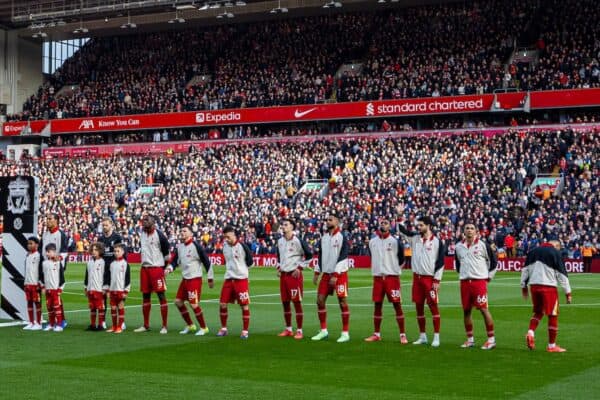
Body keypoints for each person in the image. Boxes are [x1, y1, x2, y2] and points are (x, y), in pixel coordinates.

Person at [396, 205, 445, 347]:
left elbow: (440, 262)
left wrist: (437, 279)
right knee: (418, 307)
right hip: (416, 278)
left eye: (421, 225)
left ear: (428, 226)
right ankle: (422, 336)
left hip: (429, 279)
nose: (418, 228)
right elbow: (402, 230)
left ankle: (436, 337)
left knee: (433, 307)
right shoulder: (415, 238)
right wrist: (400, 216)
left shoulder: (437, 242)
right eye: (418, 225)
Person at [521, 240, 572, 352]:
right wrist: (568, 292)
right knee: (553, 315)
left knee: (538, 312)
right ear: (556, 245)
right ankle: (552, 346)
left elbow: (525, 270)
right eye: (559, 247)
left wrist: (523, 286)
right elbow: (561, 274)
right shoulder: (554, 252)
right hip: (548, 287)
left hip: (534, 286)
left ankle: (530, 332)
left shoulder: (533, 251)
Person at [454, 223, 498, 350]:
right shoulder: (458, 247)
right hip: (464, 283)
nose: (469, 230)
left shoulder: (483, 245)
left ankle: (491, 340)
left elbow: (494, 263)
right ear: (463, 231)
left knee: (484, 309)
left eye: (472, 228)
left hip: (479, 282)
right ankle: (470, 340)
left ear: (476, 232)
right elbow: (458, 265)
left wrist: (488, 277)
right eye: (467, 228)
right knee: (466, 311)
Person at [364, 218, 407, 343]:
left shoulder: (395, 241)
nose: (383, 224)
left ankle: (402, 334)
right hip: (377, 277)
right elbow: (372, 256)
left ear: (390, 226)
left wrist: (394, 269)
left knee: (397, 305)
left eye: (386, 223)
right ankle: (376, 334)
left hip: (391, 278)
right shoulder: (372, 242)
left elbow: (402, 259)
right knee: (377, 305)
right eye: (382, 223)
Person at [166, 225, 214, 336]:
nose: (182, 232)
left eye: (185, 231)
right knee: (178, 302)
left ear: (191, 234)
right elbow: (175, 261)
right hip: (185, 279)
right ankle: (190, 325)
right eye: (181, 230)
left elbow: (207, 262)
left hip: (195, 279)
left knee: (194, 304)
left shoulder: (196, 246)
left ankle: (204, 327)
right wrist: (169, 268)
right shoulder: (180, 247)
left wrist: (210, 278)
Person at [311, 213, 351, 343]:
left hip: (339, 275)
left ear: (337, 222)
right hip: (326, 274)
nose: (327, 222)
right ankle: (323, 331)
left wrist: (336, 274)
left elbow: (344, 256)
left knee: (342, 302)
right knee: (320, 301)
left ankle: (345, 333)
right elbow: (321, 256)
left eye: (330, 220)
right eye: (326, 220)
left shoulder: (342, 237)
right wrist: (317, 272)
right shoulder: (324, 238)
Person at [276, 218, 313, 340]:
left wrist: (300, 268)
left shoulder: (298, 241)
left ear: (292, 227)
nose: (283, 226)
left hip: (294, 276)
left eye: (286, 224)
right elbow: (279, 257)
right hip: (284, 276)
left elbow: (309, 255)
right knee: (285, 302)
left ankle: (300, 330)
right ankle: (288, 329)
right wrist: (279, 267)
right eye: (282, 225)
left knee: (296, 302)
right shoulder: (280, 241)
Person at [134, 215, 171, 334]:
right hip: (144, 269)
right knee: (145, 296)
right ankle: (145, 325)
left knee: (161, 296)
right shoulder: (142, 233)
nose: (144, 224)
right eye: (143, 221)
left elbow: (167, 254)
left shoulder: (160, 235)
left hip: (156, 269)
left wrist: (163, 268)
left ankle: (164, 326)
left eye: (146, 221)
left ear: (153, 223)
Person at [217, 226, 253, 339]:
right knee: (222, 304)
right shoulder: (225, 247)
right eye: (224, 237)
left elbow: (250, 262)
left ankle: (245, 331)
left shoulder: (242, 246)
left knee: (244, 306)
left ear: (233, 234)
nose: (226, 239)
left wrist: (244, 273)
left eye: (228, 237)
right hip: (228, 279)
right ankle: (223, 328)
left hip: (241, 280)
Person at [40, 213, 71, 328]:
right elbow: (41, 250)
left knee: (56, 295)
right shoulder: (44, 235)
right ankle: (53, 321)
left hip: (56, 268)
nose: (47, 221)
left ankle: (61, 320)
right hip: (46, 266)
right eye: (46, 219)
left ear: (56, 221)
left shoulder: (61, 234)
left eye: (50, 219)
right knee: (50, 296)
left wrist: (58, 263)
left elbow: (64, 252)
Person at [99, 217, 124, 328]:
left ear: (111, 225)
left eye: (106, 225)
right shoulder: (100, 238)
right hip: (104, 271)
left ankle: (121, 322)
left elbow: (122, 253)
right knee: (103, 295)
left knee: (118, 296)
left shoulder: (117, 237)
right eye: (103, 225)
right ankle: (102, 320)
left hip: (115, 270)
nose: (104, 227)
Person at [40, 243, 65, 332]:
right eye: (46, 252)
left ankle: (59, 325)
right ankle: (51, 324)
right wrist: (43, 287)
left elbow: (62, 278)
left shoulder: (58, 263)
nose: (47, 253)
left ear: (54, 252)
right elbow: (42, 276)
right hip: (47, 290)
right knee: (49, 307)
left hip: (55, 290)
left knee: (57, 307)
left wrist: (60, 289)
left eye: (49, 251)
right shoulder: (44, 263)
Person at [107, 244, 130, 334]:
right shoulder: (112, 264)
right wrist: (108, 290)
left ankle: (120, 326)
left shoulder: (125, 264)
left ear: (123, 252)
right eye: (115, 251)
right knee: (113, 308)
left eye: (118, 251)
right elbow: (109, 278)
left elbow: (127, 279)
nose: (116, 253)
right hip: (112, 290)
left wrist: (126, 291)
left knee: (120, 307)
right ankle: (114, 326)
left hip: (121, 290)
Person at [84, 242, 107, 331]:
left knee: (100, 307)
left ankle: (100, 325)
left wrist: (105, 288)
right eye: (92, 250)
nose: (94, 251)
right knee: (92, 307)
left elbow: (105, 276)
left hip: (99, 289)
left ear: (100, 251)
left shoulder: (103, 262)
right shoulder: (89, 262)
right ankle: (92, 324)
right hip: (90, 288)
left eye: (96, 250)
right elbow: (87, 275)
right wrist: (86, 287)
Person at [23, 237, 43, 331]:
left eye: (31, 243)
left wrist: (40, 283)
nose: (29, 245)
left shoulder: (39, 256)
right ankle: (31, 322)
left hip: (35, 284)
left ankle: (38, 323)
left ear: (37, 245)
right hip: (28, 283)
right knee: (29, 302)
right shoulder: (27, 255)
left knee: (37, 303)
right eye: (28, 244)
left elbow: (41, 271)